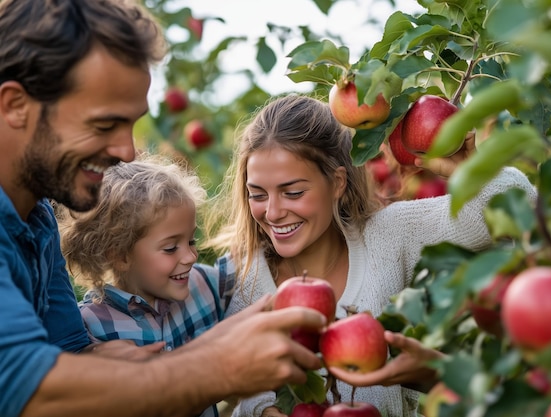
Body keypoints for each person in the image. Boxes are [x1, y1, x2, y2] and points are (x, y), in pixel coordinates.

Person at [0, 1, 326, 416]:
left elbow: (73, 357)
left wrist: (197, 352)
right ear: (14, 105)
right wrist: (218, 367)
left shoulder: (37, 216)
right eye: (103, 125)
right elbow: (29, 390)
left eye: (131, 124)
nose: (125, 150)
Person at [203, 94, 537, 417]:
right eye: (257, 194)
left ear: (337, 183)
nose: (273, 212)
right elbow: (243, 386)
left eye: (293, 192)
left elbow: (516, 207)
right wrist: (264, 411)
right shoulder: (244, 277)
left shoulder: (386, 235)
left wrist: (473, 171)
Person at [58, 153, 235, 417]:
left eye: (191, 241)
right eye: (171, 247)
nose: (190, 256)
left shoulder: (205, 285)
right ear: (119, 255)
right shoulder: (93, 329)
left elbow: (256, 271)